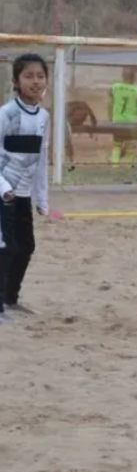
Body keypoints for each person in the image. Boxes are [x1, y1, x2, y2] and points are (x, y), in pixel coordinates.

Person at [0, 53, 51, 319]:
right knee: (7, 247)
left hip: (23, 194)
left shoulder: (43, 116)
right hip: (4, 191)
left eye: (40, 76)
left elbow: (41, 159)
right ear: (16, 81)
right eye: (28, 76)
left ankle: (11, 298)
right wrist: (3, 187)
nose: (35, 81)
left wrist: (42, 199)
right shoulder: (6, 114)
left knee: (26, 246)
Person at [109, 66, 137, 168]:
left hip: (117, 120)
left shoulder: (114, 87)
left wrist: (111, 118)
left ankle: (115, 166)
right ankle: (127, 169)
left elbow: (110, 104)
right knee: (130, 147)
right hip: (132, 122)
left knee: (116, 145)